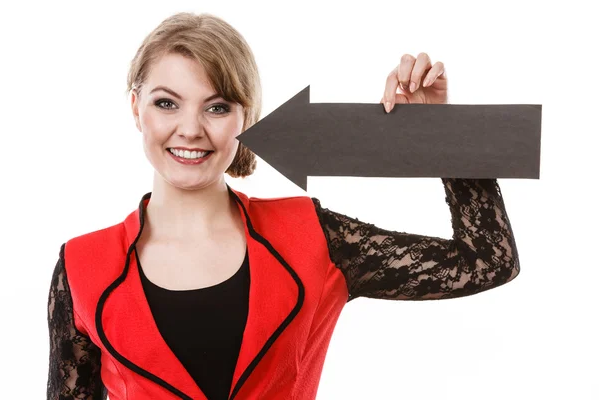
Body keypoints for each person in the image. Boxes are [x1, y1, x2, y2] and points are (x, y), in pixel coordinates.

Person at [46, 11, 520, 400]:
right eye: (167, 103)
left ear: (245, 117)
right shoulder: (83, 266)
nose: (190, 129)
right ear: (136, 108)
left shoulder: (309, 236)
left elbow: (488, 262)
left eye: (217, 107)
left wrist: (446, 134)